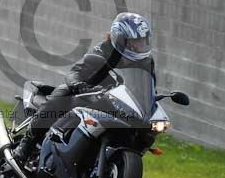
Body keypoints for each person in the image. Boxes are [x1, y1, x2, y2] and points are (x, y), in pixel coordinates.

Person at [12, 12, 155, 163]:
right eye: (136, 41)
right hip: (89, 93)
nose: (141, 45)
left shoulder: (146, 62)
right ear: (121, 39)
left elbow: (149, 86)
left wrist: (151, 101)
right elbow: (75, 72)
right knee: (63, 94)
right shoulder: (104, 50)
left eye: (143, 40)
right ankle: (26, 144)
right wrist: (79, 85)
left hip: (115, 102)